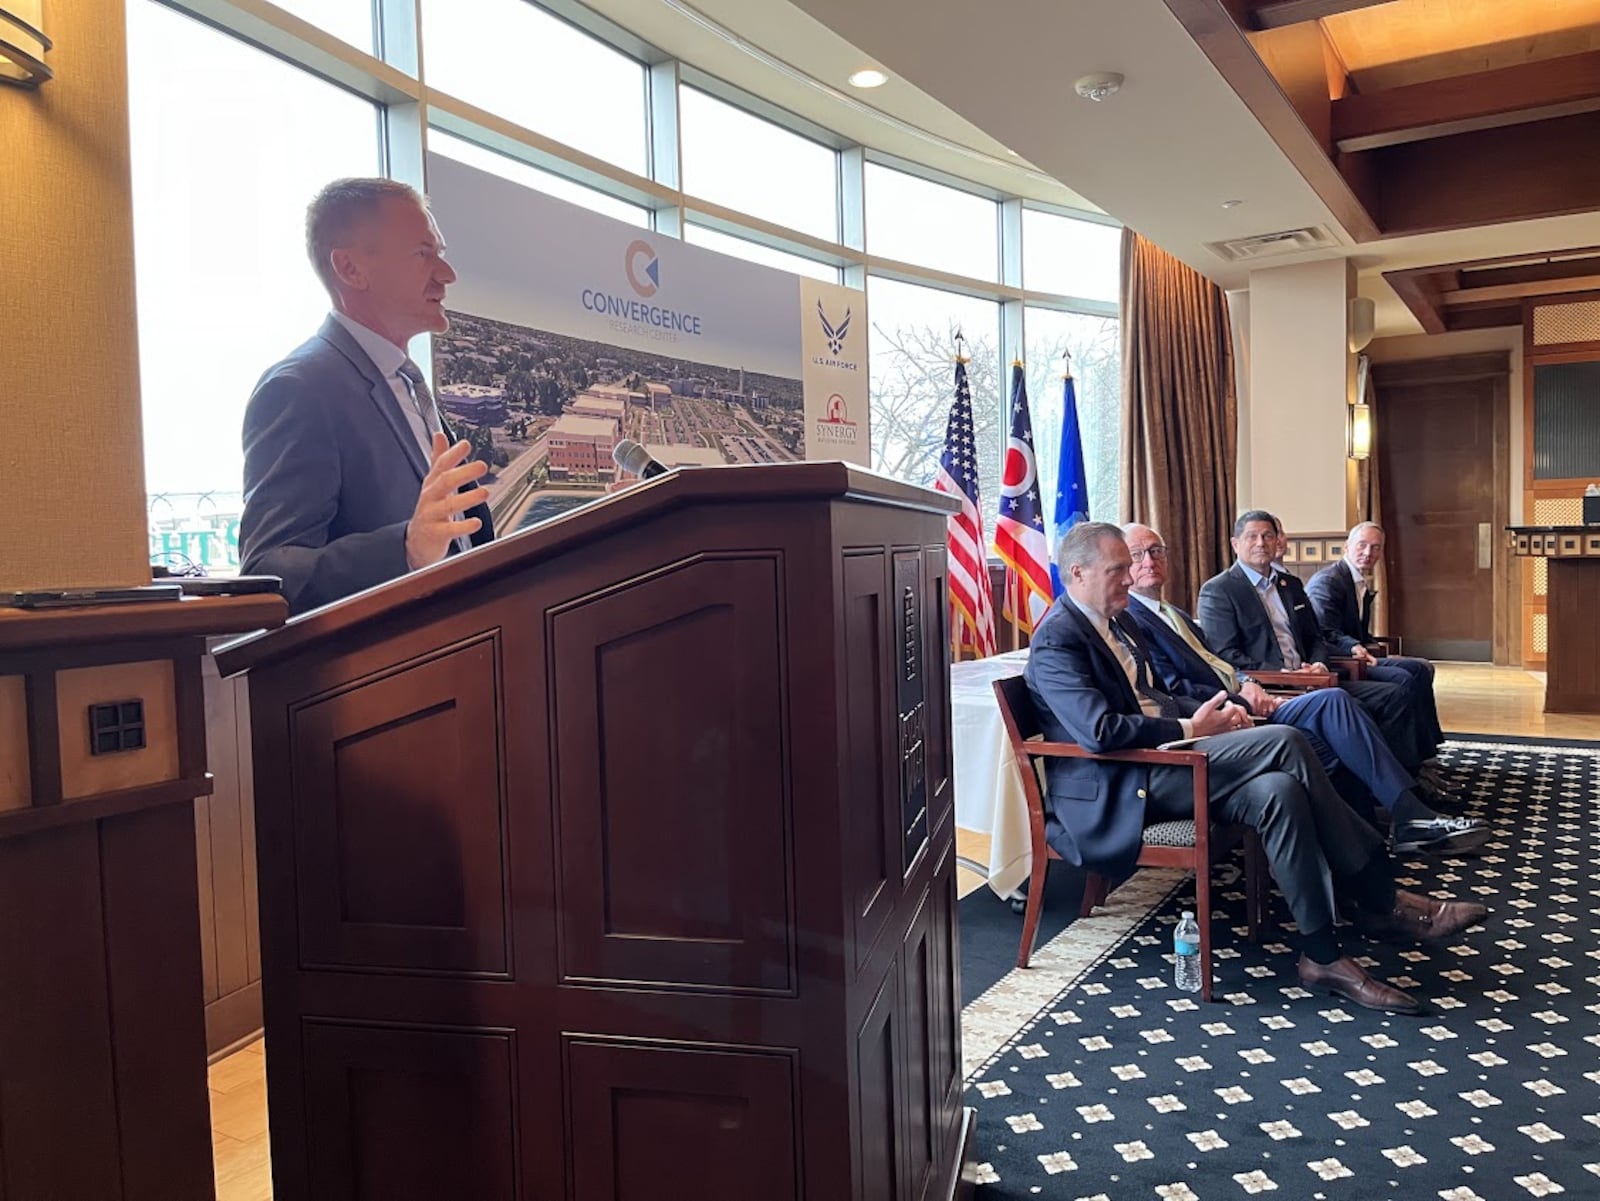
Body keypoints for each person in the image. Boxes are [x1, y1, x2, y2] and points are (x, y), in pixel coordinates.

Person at [1022, 523, 1487, 1013]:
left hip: (1166, 763)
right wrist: (1190, 727)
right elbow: (1099, 732)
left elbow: (1156, 697)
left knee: (1279, 792)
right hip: (1122, 787)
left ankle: (1321, 956)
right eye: (1118, 569)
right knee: (1286, 741)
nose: (1130, 576)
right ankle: (1379, 895)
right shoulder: (1058, 640)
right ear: (1077, 573)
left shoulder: (1118, 621)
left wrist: (1213, 714)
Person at [1119, 523, 1487, 855]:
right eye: (1138, 555)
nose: (1149, 561)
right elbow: (1174, 687)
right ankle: (1396, 821)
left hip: (1262, 690)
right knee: (1335, 706)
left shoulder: (1174, 612)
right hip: (1228, 711)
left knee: (1348, 705)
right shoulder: (1145, 615)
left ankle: (1388, 825)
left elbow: (1241, 655)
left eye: (1156, 551)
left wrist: (1265, 678)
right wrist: (1244, 692)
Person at [240, 177, 494, 614]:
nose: (446, 274)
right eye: (422, 253)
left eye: (441, 253)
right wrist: (406, 549)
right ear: (351, 269)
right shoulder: (298, 389)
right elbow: (270, 571)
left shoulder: (408, 382)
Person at [1197, 510, 1438, 772]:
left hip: (1315, 676)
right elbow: (1225, 654)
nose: (1260, 543)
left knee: (1396, 694)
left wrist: (1320, 664)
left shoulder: (1291, 585)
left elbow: (1315, 637)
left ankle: (1407, 774)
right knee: (1357, 704)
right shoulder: (1219, 590)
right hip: (1276, 684)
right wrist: (1283, 672)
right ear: (1235, 544)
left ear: (1277, 541)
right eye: (1252, 537)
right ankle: (1389, 786)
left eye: (1267, 536)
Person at [1307, 521, 1445, 755]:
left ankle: (1427, 751)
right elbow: (1324, 631)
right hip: (1339, 659)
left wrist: (1380, 650)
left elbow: (1358, 632)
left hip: (1359, 656)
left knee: (1420, 668)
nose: (1368, 553)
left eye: (1375, 547)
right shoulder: (1329, 582)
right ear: (1347, 547)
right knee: (1403, 677)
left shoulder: (1358, 582)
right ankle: (1406, 759)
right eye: (1362, 545)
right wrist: (1354, 648)